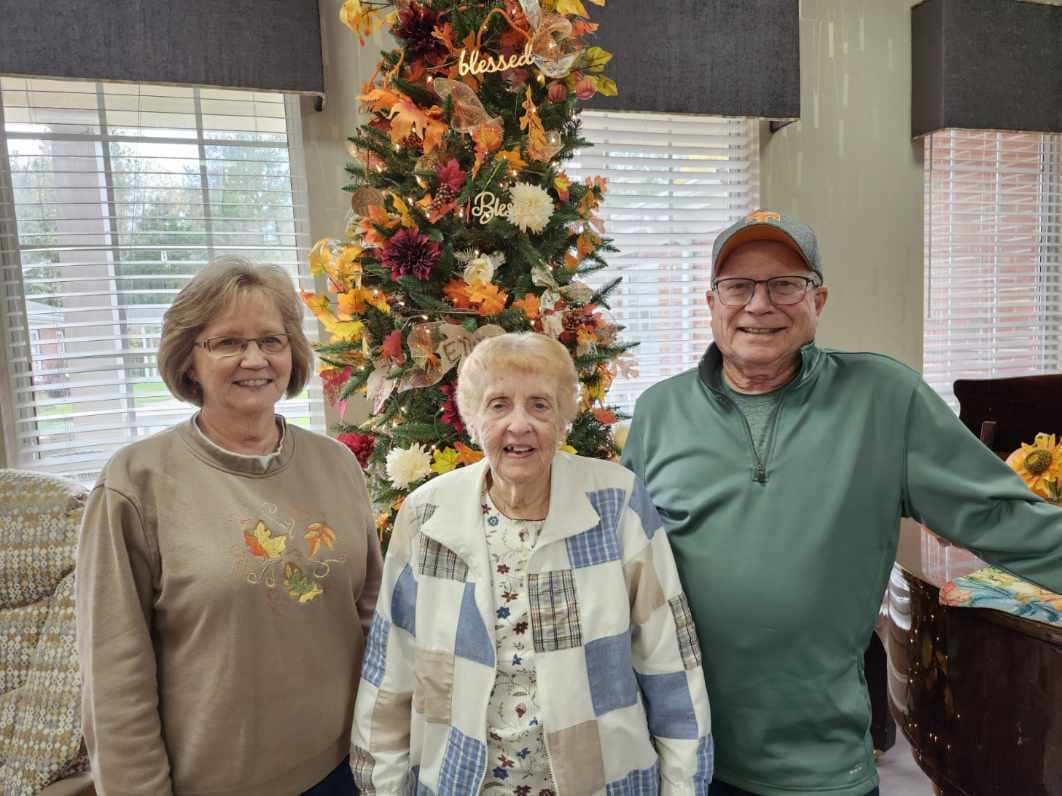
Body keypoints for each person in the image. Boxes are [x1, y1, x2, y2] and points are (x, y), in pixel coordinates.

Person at [621, 211, 1062, 796]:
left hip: (820, 766)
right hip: (681, 757)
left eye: (785, 285)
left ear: (818, 300)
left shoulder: (884, 400)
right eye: (739, 286)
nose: (760, 304)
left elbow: (1004, 519)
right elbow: (623, 568)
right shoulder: (659, 411)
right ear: (712, 302)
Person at [349, 332, 713, 794]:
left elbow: (671, 665)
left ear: (564, 420)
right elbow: (389, 675)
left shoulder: (617, 502)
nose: (519, 424)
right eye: (498, 404)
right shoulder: (427, 513)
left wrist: (684, 787)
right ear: (473, 419)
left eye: (540, 405)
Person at [76, 257, 383, 796]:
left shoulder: (336, 465)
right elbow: (114, 674)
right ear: (189, 360)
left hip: (342, 770)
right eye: (228, 343)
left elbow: (371, 617)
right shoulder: (135, 482)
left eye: (271, 340)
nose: (254, 359)